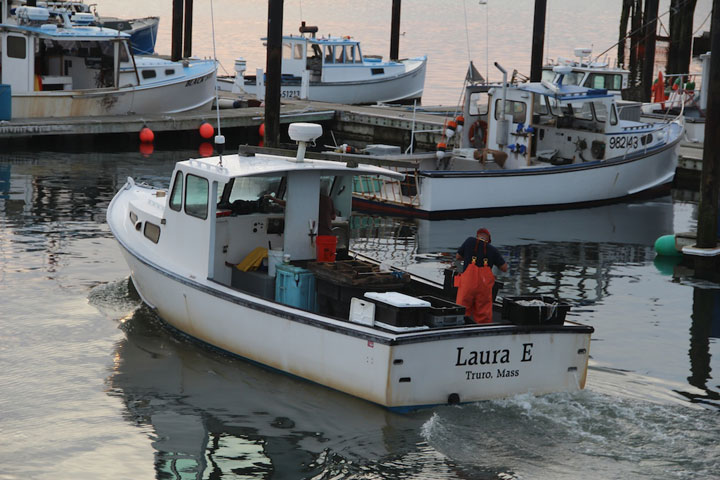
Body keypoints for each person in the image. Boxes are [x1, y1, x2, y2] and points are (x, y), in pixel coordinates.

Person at [455, 228, 508, 324]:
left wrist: (468, 256)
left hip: (467, 285)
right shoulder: (493, 250)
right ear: (488, 240)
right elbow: (504, 268)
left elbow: (458, 257)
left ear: (477, 236)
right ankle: (483, 330)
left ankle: (460, 326)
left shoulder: (469, 241)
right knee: (483, 313)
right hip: (483, 287)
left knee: (462, 309)